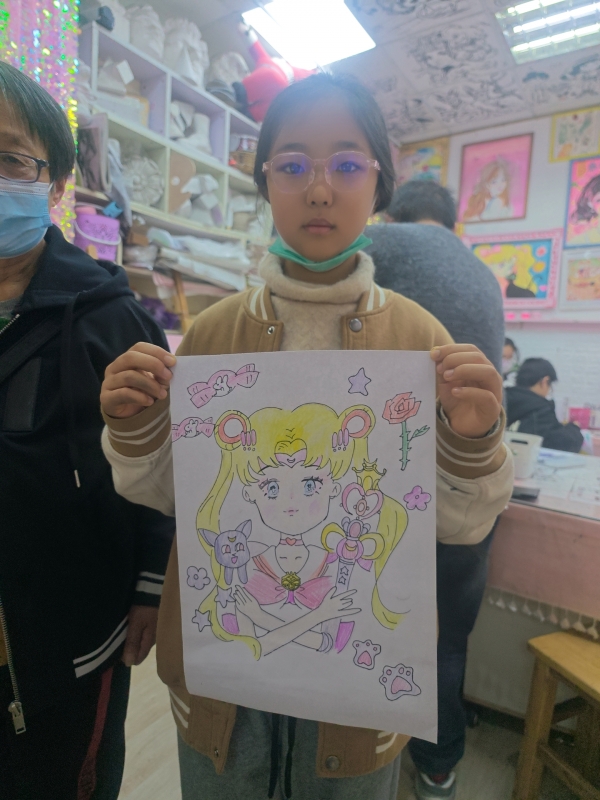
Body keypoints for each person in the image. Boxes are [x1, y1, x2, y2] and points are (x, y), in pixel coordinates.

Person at [99, 73, 513, 800]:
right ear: (265, 180)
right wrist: (133, 425)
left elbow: (458, 521)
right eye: (292, 165)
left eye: (347, 164)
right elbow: (168, 493)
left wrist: (472, 441)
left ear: (379, 182)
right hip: (225, 676)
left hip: (357, 686)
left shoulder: (423, 341)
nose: (319, 189)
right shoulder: (211, 335)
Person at [0, 62, 174, 800]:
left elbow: (165, 463)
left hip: (71, 632)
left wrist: (150, 584)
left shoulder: (112, 317)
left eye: (10, 159)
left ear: (56, 185)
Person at [367, 181, 506, 799]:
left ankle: (369, 748)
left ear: (391, 213)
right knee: (447, 639)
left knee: (375, 622)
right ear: (451, 221)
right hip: (470, 471)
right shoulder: (484, 273)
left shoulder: (382, 242)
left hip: (394, 474)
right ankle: (438, 767)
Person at [506, 358, 584, 453]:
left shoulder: (502, 399)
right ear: (544, 381)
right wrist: (574, 428)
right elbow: (563, 443)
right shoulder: (539, 408)